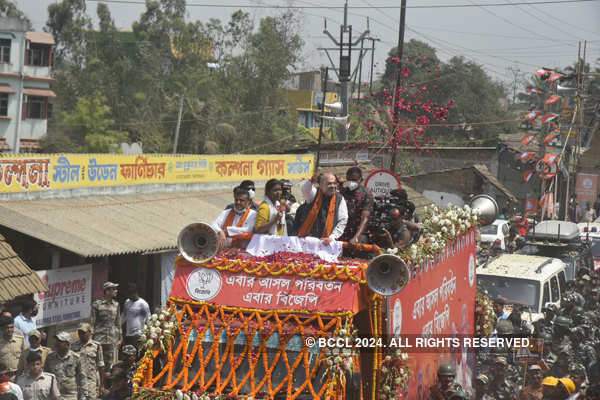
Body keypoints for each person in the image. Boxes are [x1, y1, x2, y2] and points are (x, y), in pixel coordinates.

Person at [295, 173, 348, 245]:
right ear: (321, 185)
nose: (332, 186)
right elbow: (305, 190)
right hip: (308, 240)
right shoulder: (314, 194)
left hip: (327, 241)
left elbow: (343, 220)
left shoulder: (340, 199)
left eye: (334, 183)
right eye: (329, 184)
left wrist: (332, 237)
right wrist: (311, 181)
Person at [91, 282, 121, 371]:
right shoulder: (97, 304)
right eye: (114, 289)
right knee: (98, 361)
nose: (116, 291)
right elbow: (92, 321)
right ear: (107, 291)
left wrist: (120, 337)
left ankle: (107, 383)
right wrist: (91, 338)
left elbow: (118, 322)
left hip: (111, 337)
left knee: (109, 362)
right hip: (99, 337)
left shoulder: (116, 305)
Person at [339, 167, 373, 245]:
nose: (351, 183)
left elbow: (365, 218)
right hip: (342, 230)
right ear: (346, 178)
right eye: (350, 180)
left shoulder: (366, 194)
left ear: (360, 180)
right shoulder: (342, 192)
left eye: (354, 180)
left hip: (358, 232)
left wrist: (356, 237)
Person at [71, 323, 105, 399]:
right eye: (79, 332)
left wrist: (102, 385)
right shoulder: (73, 346)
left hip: (91, 382)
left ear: (90, 332)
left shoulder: (96, 346)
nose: (81, 334)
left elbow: (101, 365)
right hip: (77, 382)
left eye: (83, 332)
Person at [44, 331, 82, 400]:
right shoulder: (50, 357)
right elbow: (46, 375)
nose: (57, 343)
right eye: (57, 341)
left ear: (67, 344)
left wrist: (82, 395)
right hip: (54, 394)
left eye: (60, 341)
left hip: (70, 395)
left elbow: (82, 377)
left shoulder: (76, 358)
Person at [121, 283, 150, 348]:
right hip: (128, 334)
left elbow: (149, 319)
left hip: (138, 335)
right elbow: (124, 316)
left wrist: (148, 334)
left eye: (129, 294)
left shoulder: (143, 304)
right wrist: (118, 325)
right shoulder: (127, 302)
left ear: (134, 293)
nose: (128, 296)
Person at [0, 316, 26, 381]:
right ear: (2, 328)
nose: (9, 330)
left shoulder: (20, 340)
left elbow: (25, 357)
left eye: (11, 327)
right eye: (7, 328)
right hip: (3, 378)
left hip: (18, 376)